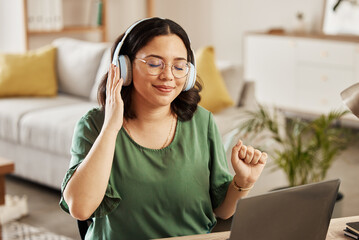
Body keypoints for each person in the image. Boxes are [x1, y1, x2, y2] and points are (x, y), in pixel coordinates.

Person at [59, 17, 267, 239]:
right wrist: (111, 127)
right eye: (155, 63)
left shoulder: (202, 122)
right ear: (124, 67)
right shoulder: (94, 125)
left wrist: (243, 182)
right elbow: (80, 209)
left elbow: (222, 210)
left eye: (179, 66)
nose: (168, 76)